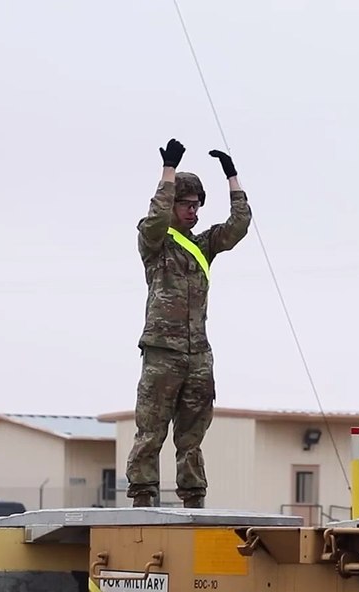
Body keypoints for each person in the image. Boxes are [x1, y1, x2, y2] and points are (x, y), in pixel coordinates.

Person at [125, 138, 251, 508]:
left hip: (198, 353)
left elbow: (239, 225)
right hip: (162, 351)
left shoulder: (204, 245)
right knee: (151, 428)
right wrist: (168, 172)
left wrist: (232, 177)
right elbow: (158, 216)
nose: (193, 211)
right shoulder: (155, 241)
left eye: (197, 205)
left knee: (192, 432)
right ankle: (144, 495)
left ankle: (193, 496)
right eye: (186, 204)